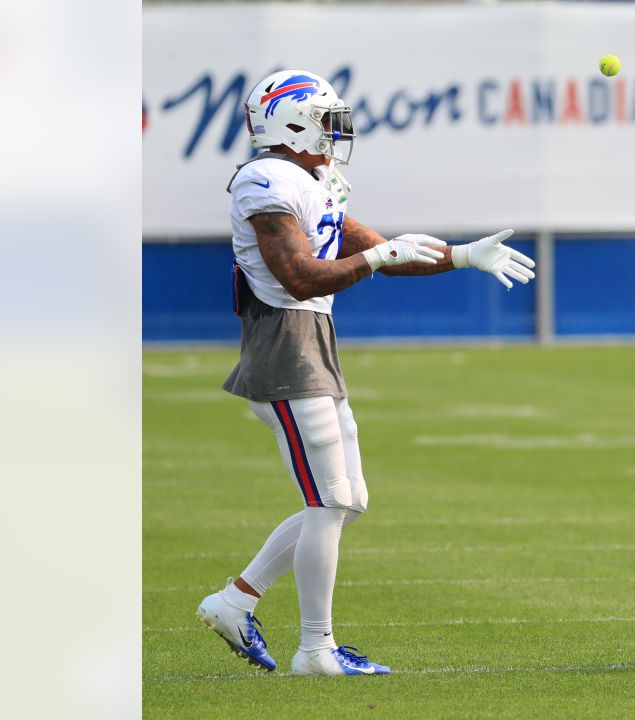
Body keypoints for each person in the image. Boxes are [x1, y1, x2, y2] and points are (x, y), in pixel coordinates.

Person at [194, 70, 536, 676]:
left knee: (348, 499)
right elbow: (301, 275)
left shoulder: (318, 178)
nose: (335, 132)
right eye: (325, 119)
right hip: (283, 340)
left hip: (313, 338)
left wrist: (460, 256)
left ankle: (234, 601)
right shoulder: (264, 181)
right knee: (328, 499)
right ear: (290, 121)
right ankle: (316, 650)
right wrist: (377, 257)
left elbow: (381, 248)